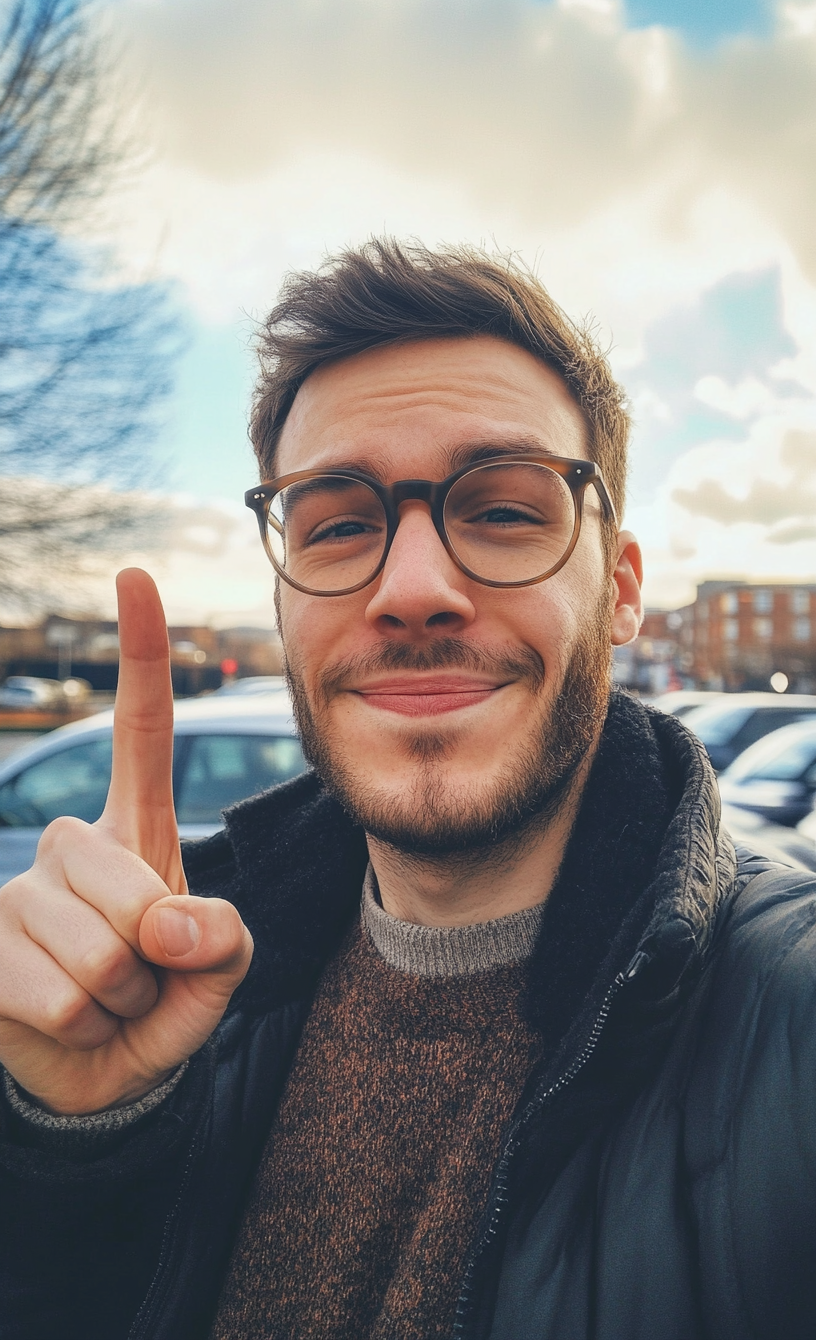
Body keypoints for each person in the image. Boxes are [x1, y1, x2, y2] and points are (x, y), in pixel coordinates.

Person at [0, 240, 814, 1340]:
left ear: (620, 590)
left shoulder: (788, 1028)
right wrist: (77, 1148)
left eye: (506, 511)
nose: (415, 588)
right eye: (337, 524)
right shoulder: (171, 1002)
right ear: (284, 601)